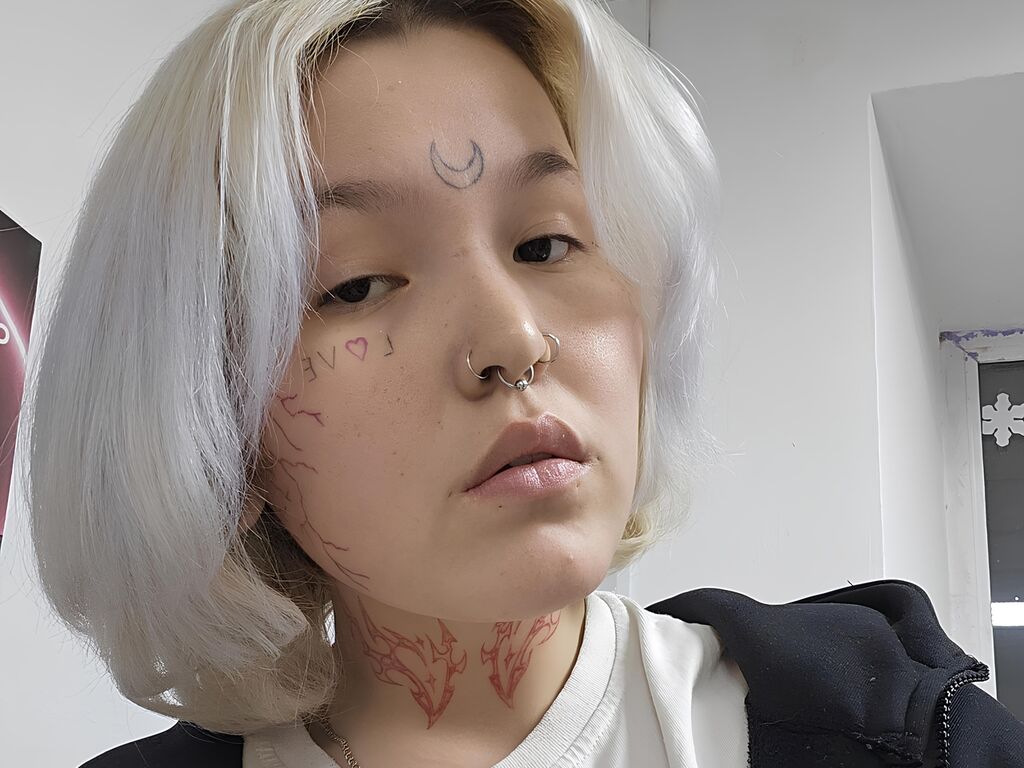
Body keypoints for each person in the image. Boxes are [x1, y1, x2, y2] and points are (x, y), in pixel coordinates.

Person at [19, 1, 1024, 767]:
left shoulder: (899, 735)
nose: (513, 340)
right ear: (214, 427)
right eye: (356, 284)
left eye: (546, 243)